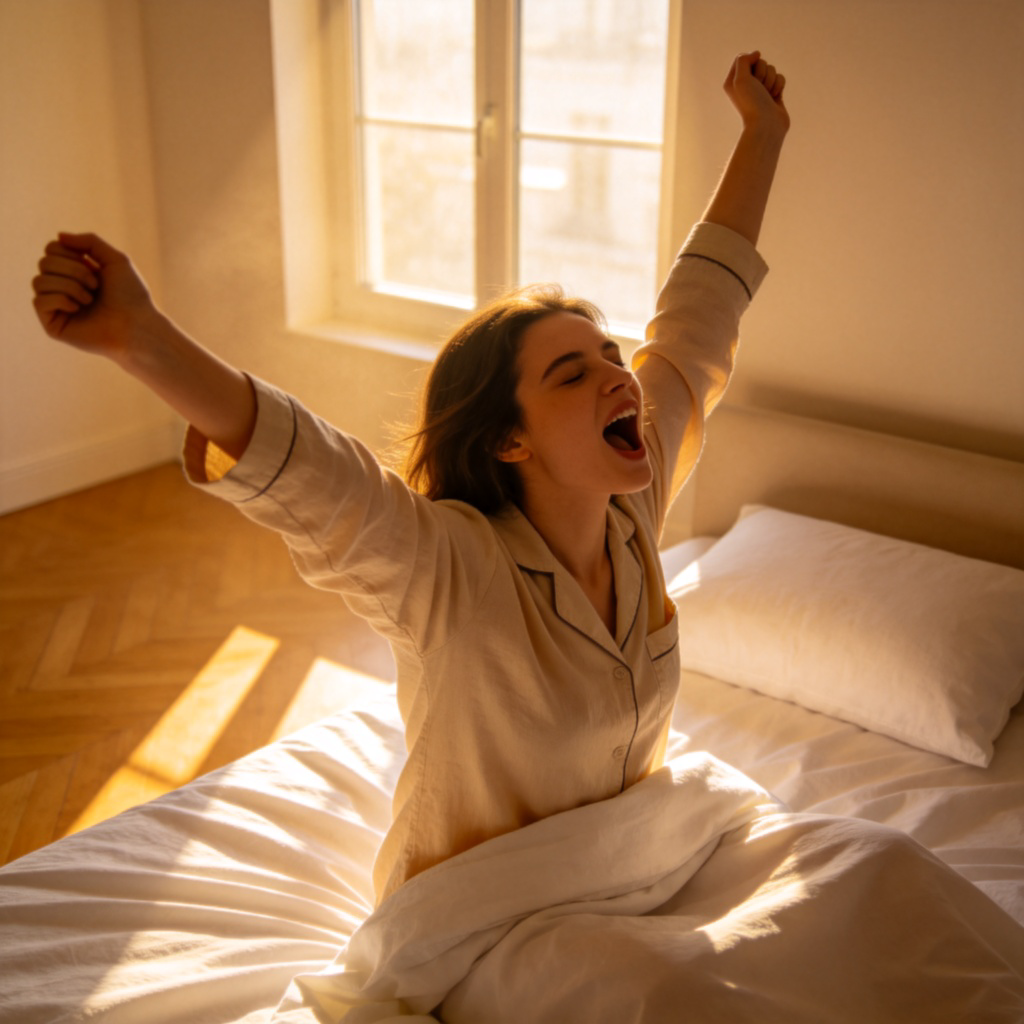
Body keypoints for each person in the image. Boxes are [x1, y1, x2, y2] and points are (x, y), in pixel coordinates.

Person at [31, 52, 788, 904]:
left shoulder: (632, 514)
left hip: (628, 873)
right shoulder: (448, 573)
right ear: (510, 441)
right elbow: (323, 477)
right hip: (487, 927)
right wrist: (141, 337)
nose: (621, 378)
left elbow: (694, 325)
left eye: (610, 357)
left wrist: (763, 135)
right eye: (572, 375)